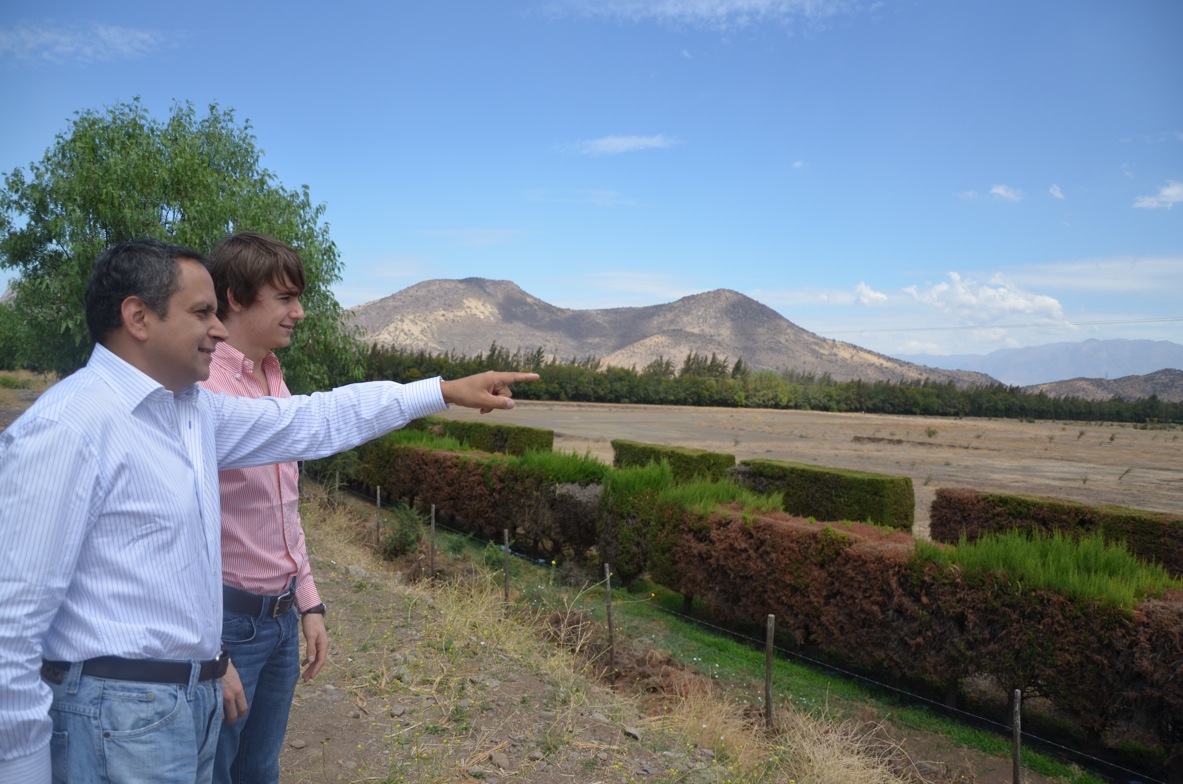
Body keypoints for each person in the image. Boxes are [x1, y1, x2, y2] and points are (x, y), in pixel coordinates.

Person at [0, 238, 537, 784]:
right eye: (202, 312)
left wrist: (440, 391)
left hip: (180, 704)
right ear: (138, 316)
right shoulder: (66, 429)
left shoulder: (190, 411)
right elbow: (10, 629)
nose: (217, 328)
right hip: (119, 713)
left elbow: (313, 420)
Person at [197, 232, 327, 783]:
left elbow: (285, 508)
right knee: (213, 771)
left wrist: (309, 602)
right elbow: (184, 531)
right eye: (284, 298)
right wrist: (212, 652)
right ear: (235, 298)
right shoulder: (204, 386)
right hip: (228, 624)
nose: (298, 312)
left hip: (279, 621)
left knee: (260, 770)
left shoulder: (273, 375)